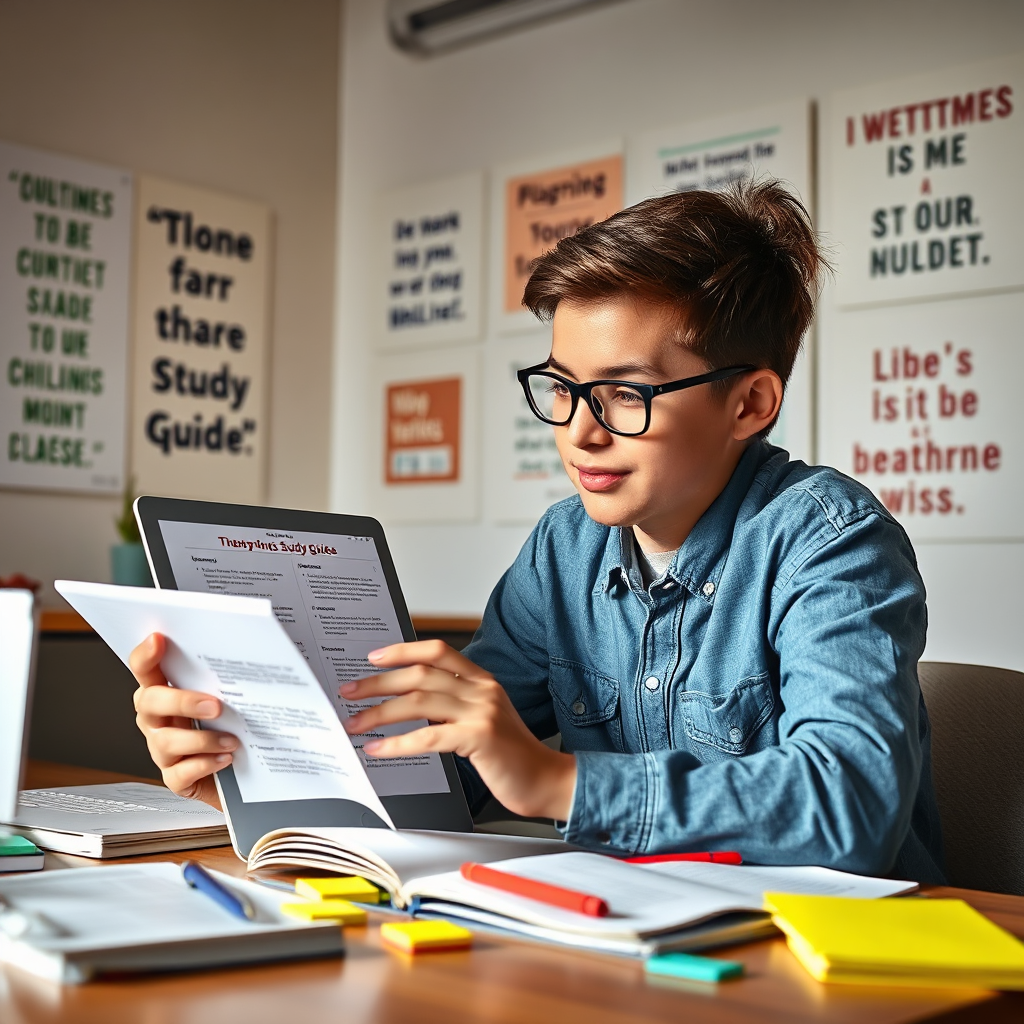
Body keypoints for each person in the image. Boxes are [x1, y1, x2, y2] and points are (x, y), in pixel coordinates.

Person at [130, 180, 943, 881]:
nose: (578, 433)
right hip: (633, 941)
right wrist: (256, 773)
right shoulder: (566, 549)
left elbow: (853, 806)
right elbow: (454, 770)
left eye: (626, 394)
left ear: (750, 404)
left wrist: (560, 784)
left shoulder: (829, 539)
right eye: (562, 387)